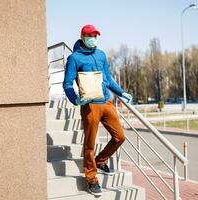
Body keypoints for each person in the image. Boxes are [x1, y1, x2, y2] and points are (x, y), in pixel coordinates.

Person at [63, 24, 132, 197]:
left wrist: (121, 92)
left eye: (96, 36)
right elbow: (67, 83)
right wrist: (75, 99)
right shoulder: (74, 58)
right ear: (83, 37)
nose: (94, 38)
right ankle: (91, 179)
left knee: (120, 137)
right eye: (91, 36)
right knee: (90, 144)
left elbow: (108, 79)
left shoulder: (101, 55)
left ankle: (100, 161)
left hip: (106, 102)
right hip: (89, 105)